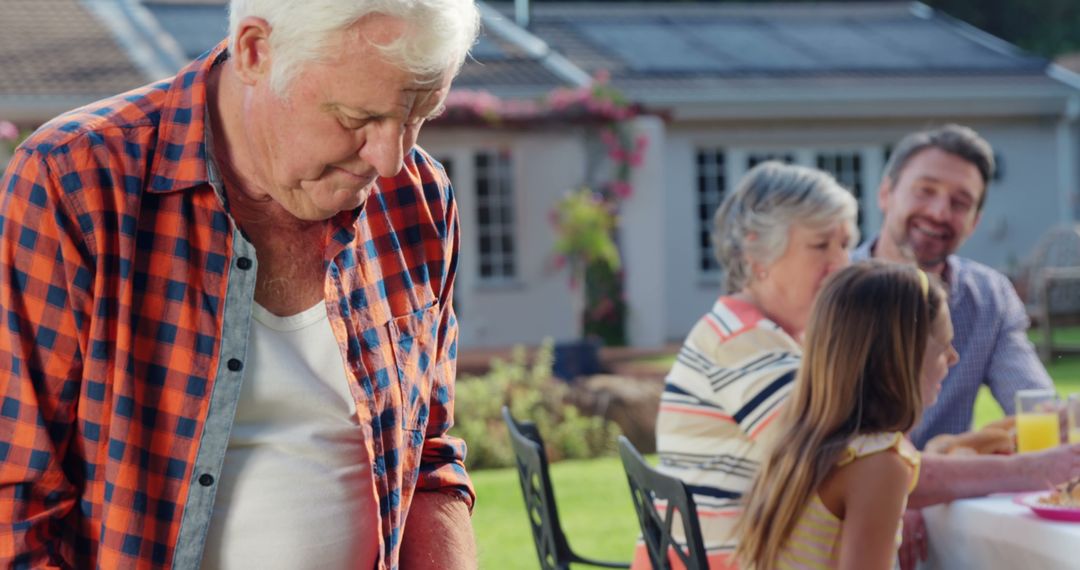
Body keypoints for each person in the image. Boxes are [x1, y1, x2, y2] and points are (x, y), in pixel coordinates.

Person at [0, 1, 480, 568]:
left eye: (419, 115)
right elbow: (16, 504)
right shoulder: (73, 180)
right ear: (255, 51)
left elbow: (426, 458)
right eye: (355, 118)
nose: (391, 159)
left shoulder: (418, 194)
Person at [648, 160, 1080, 570]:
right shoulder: (746, 344)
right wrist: (1028, 469)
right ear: (756, 254)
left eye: (844, 242)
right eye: (821, 245)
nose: (840, 262)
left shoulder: (750, 332)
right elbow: (855, 462)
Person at [735, 262, 956, 570]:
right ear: (899, 361)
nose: (954, 357)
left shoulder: (804, 439)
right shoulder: (879, 464)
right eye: (943, 346)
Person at [852, 123, 1054, 449]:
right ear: (885, 193)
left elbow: (1038, 410)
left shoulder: (990, 297)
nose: (938, 212)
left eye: (960, 203)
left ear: (975, 222)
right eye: (925, 190)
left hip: (950, 500)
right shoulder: (829, 288)